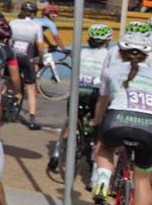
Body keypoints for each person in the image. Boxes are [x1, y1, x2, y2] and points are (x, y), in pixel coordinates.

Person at [91, 34, 152, 205]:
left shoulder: (110, 72)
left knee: (105, 146)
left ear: (120, 53)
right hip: (150, 127)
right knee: (142, 178)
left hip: (117, 121)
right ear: (147, 56)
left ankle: (103, 181)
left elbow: (103, 101)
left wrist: (97, 121)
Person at [49, 24, 117, 174]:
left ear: (89, 39)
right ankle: (94, 160)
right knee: (98, 128)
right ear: (108, 41)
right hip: (95, 92)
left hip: (77, 90)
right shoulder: (109, 54)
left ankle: (56, 153)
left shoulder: (81, 52)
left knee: (72, 122)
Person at [8, 2, 45, 128]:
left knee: (8, 81)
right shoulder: (36, 25)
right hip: (27, 55)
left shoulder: (13, 23)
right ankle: (32, 119)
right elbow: (40, 46)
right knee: (30, 87)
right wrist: (40, 59)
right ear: (34, 14)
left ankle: (3, 106)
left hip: (12, 54)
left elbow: (7, 39)